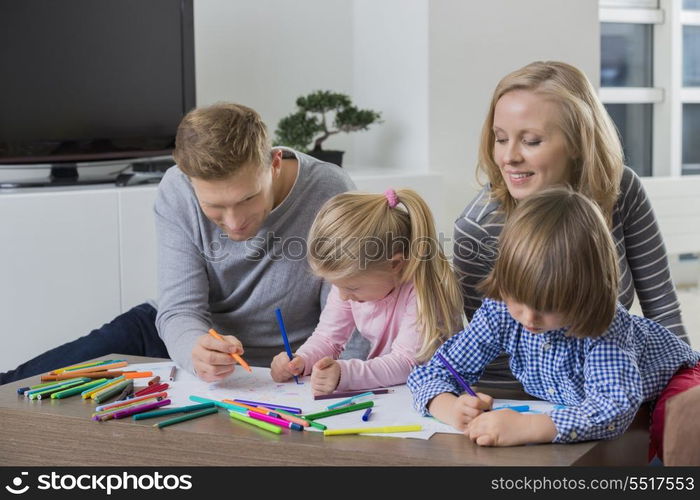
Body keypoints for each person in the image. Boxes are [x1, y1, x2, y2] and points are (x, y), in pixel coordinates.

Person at [0, 103, 357, 384]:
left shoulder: (330, 190)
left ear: (275, 163)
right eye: (215, 207)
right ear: (189, 180)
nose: (234, 223)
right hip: (175, 335)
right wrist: (193, 350)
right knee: (21, 385)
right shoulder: (176, 188)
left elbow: (348, 314)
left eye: (248, 198)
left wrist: (331, 371)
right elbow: (179, 309)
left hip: (288, 359)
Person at [409, 188, 700, 460]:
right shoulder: (500, 311)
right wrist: (448, 406)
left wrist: (530, 427)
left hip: (680, 378)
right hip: (614, 397)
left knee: (673, 428)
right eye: (518, 301)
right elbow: (434, 370)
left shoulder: (604, 327)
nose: (529, 318)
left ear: (586, 294)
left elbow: (613, 407)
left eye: (548, 308)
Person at [453, 61, 689, 388]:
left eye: (531, 141)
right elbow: (487, 354)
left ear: (578, 142)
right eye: (501, 138)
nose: (509, 157)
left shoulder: (621, 190)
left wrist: (684, 390)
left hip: (614, 380)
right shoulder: (478, 227)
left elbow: (663, 310)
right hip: (524, 406)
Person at [270, 189, 463, 395]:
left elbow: (406, 363)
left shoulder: (424, 292)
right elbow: (328, 338)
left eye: (351, 288)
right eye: (336, 286)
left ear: (395, 264)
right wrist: (302, 360)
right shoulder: (351, 284)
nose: (343, 296)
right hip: (393, 396)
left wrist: (345, 374)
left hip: (438, 395)